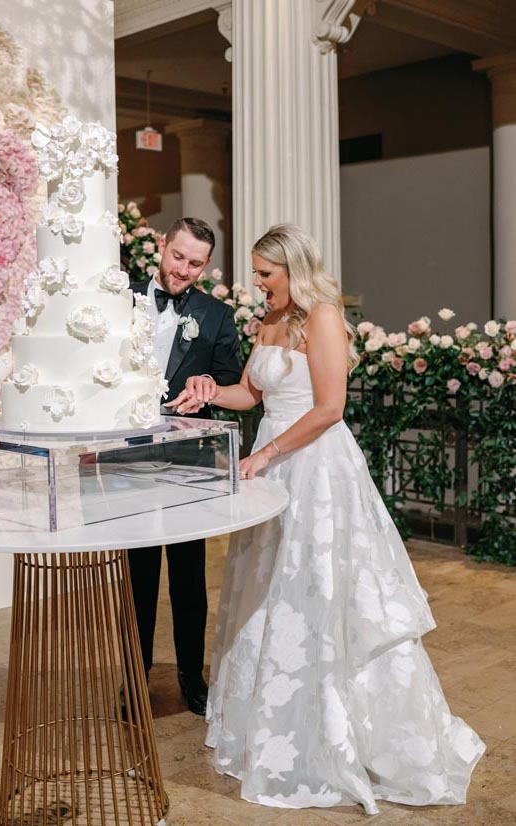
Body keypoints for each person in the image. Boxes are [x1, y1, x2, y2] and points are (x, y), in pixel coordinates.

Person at [166, 224, 485, 813]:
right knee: (267, 593)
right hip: (271, 470)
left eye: (266, 274)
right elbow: (251, 394)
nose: (257, 284)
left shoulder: (323, 318)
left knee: (318, 592)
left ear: (293, 270)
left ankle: (340, 731)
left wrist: (264, 455)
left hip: (314, 469)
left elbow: (329, 408)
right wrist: (208, 390)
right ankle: (273, 722)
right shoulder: (266, 321)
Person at [127, 217, 242, 716]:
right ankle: (134, 680)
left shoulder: (216, 315)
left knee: (189, 575)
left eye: (196, 264)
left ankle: (192, 680)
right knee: (138, 575)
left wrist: (206, 391)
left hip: (187, 458)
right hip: (126, 455)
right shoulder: (119, 299)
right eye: (178, 258)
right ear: (161, 246)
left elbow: (231, 380)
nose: (184, 271)